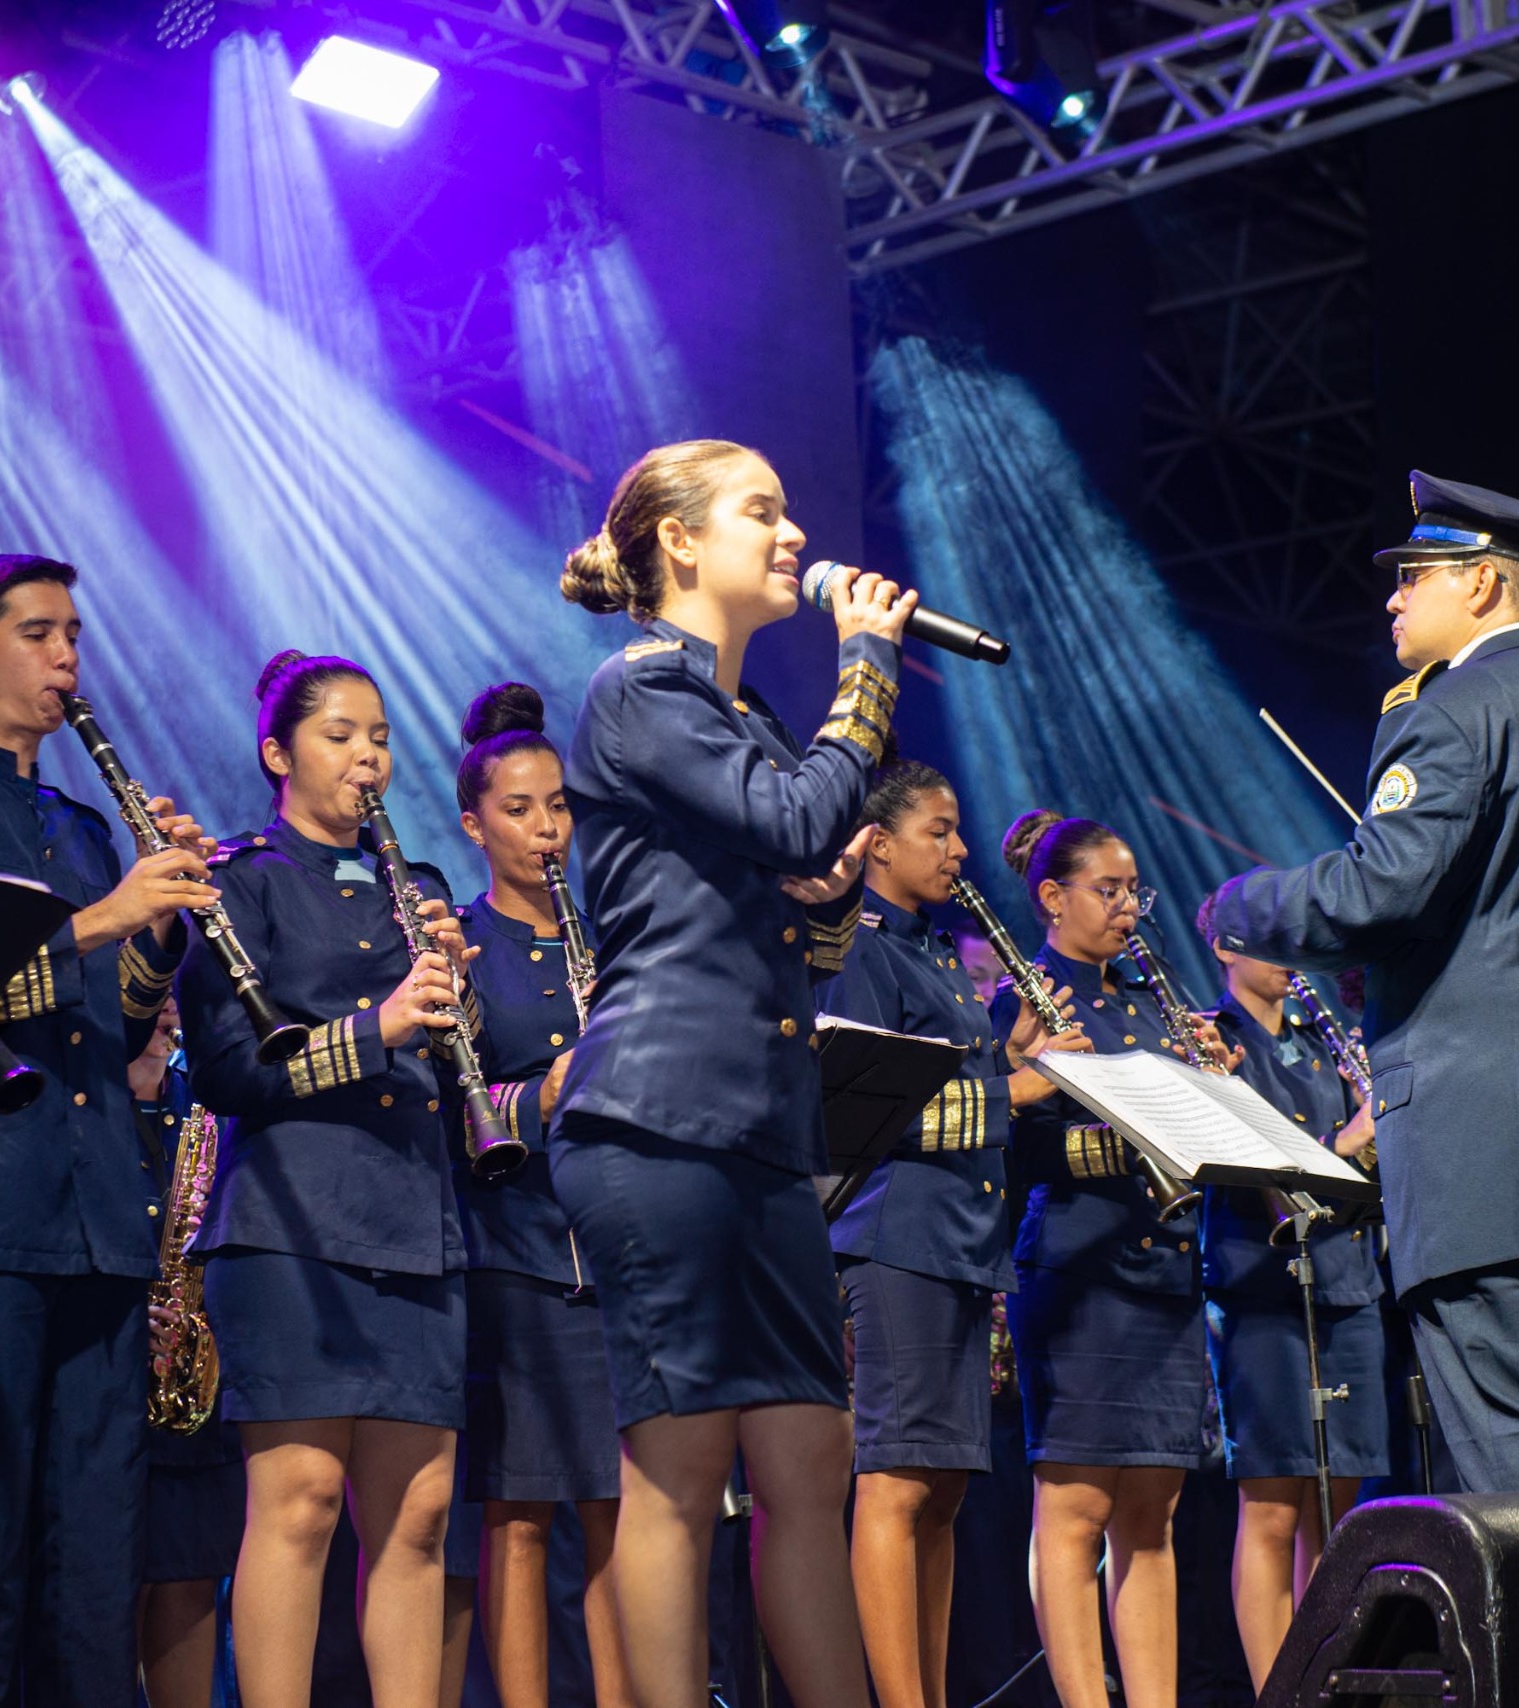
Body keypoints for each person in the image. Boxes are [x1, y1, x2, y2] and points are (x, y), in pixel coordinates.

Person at [1204, 471, 1519, 1494]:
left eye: (1413, 575)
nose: (1391, 597)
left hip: (1495, 1156)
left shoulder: (1455, 708)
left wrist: (1236, 907)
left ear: (1479, 585)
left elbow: (1373, 896)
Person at [552, 438, 911, 1708]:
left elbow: (793, 903)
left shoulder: (738, 717)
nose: (793, 533)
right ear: (680, 541)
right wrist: (866, 667)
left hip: (760, 1128)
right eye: (761, 509)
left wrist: (820, 900)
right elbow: (799, 818)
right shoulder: (638, 688)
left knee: (813, 1459)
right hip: (657, 1122)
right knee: (681, 1468)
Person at [0, 553, 213, 1707]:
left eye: (74, 633)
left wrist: (162, 931)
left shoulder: (77, 820)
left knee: (98, 1536)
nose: (69, 656)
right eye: (39, 633)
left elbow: (110, 1026)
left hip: (101, 1209)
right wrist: (111, 912)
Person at [180, 649, 469, 1708]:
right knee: (298, 1501)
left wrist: (457, 1010)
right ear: (277, 751)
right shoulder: (239, 878)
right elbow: (224, 1069)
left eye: (380, 737)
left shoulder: (420, 888)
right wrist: (377, 1025)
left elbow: (447, 1056)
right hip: (291, 1223)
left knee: (418, 1514)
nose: (367, 757)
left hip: (418, 1220)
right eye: (340, 735)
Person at [818, 759, 1088, 1708]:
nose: (962, 848)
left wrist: (1013, 1052)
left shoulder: (934, 949)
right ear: (878, 843)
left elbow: (954, 1088)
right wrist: (1019, 1088)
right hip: (894, 1240)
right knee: (895, 1484)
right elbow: (865, 1114)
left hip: (962, 1240)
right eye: (939, 830)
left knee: (945, 1492)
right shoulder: (858, 944)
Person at [993, 810, 1216, 1708]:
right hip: (1082, 1275)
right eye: (1109, 891)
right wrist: (1131, 1142)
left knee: (1152, 1516)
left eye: (1134, 891)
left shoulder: (1147, 1000)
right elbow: (1019, 1151)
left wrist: (1211, 1083)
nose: (1129, 909)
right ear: (1053, 898)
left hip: (1165, 1273)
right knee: (1075, 1513)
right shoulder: (1022, 1000)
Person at [443, 680, 633, 1708]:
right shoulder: (463, 945)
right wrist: (539, 1092)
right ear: (474, 822)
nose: (546, 827)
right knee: (519, 1513)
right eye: (519, 809)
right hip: (516, 1254)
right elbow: (447, 1106)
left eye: (556, 804)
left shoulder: (607, 942)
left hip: (619, 1255)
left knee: (617, 1507)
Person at [1193, 904, 1384, 1692]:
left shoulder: (1319, 1042)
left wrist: (1374, 1117)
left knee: (1337, 1516)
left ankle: (1326, 1678)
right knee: (1273, 1508)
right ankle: (1280, 1688)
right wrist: (1346, 1142)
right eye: (1268, 945)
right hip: (1262, 1286)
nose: (1289, 961)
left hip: (1348, 1279)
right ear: (1223, 949)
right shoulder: (1209, 1039)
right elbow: (1244, 1150)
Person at [130, 997, 246, 1708]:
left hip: (189, 1374)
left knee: (193, 1573)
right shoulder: (89, 1095)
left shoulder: (200, 1104)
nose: (170, 1002)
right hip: (102, 1364)